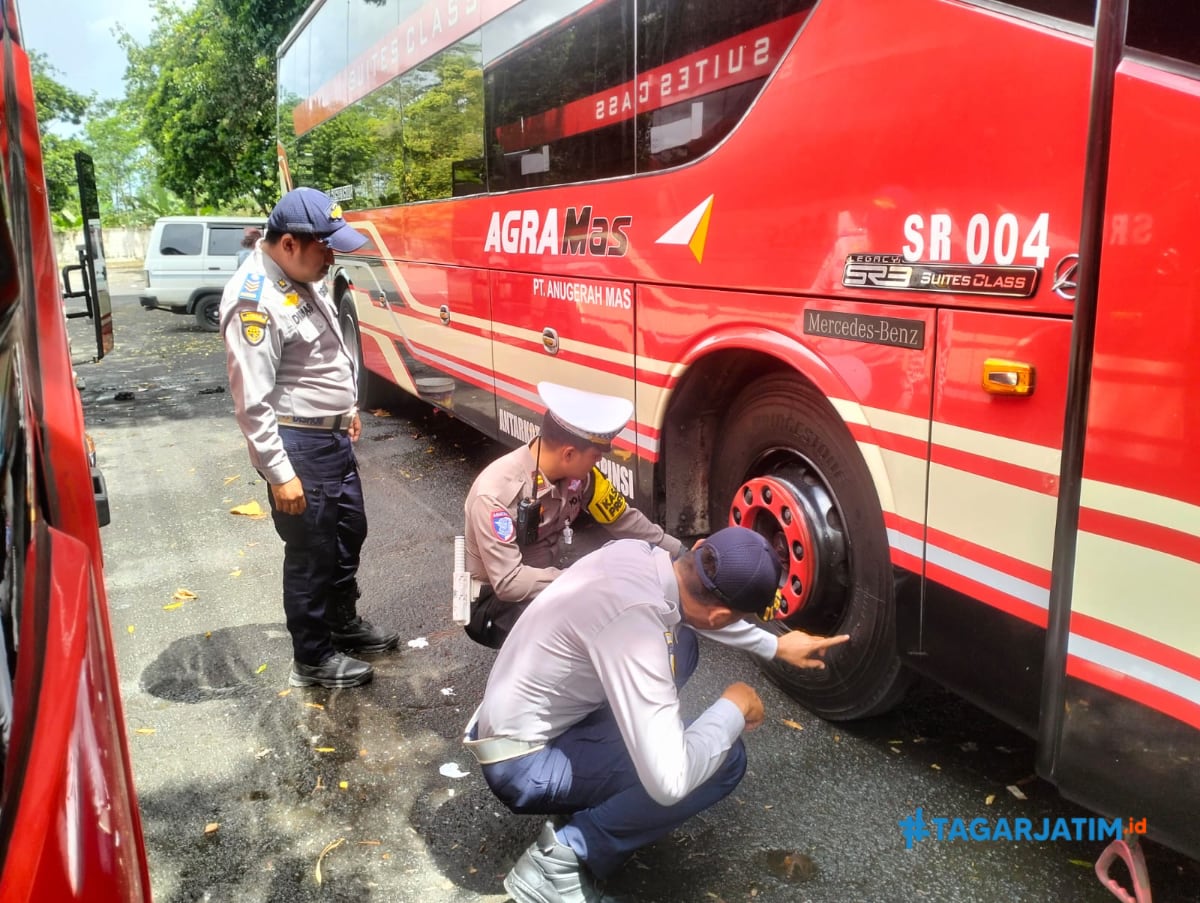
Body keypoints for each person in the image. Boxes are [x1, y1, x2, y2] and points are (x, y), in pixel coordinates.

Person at [463, 526, 851, 903]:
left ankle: (593, 798)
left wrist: (775, 646)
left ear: (700, 547)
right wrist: (733, 707)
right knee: (724, 757)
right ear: (721, 616)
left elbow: (695, 611)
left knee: (682, 647)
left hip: (515, 726)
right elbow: (671, 781)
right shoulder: (636, 626)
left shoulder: (635, 555)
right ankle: (563, 859)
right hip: (524, 765)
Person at [220, 187, 398, 689]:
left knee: (347, 534)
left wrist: (346, 409)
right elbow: (252, 402)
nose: (332, 258)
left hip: (330, 438)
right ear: (290, 243)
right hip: (298, 446)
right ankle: (313, 657)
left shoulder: (300, 275)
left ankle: (340, 623)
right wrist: (280, 474)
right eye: (325, 248)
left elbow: (322, 353)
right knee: (310, 552)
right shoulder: (254, 300)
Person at [463, 381, 683, 648]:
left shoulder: (581, 478)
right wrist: (584, 581)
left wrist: (677, 552)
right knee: (597, 624)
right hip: (495, 603)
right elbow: (509, 582)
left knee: (617, 583)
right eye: (595, 456)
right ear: (568, 454)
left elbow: (621, 518)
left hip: (547, 577)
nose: (598, 462)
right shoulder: (496, 495)